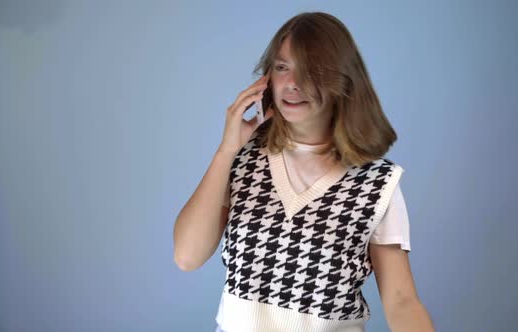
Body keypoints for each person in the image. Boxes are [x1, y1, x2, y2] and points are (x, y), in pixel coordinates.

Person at [173, 11, 435, 332]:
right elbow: (187, 257)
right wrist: (226, 151)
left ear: (342, 80)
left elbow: (400, 300)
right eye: (283, 67)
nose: (293, 84)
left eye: (311, 70)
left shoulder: (376, 183)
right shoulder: (242, 159)